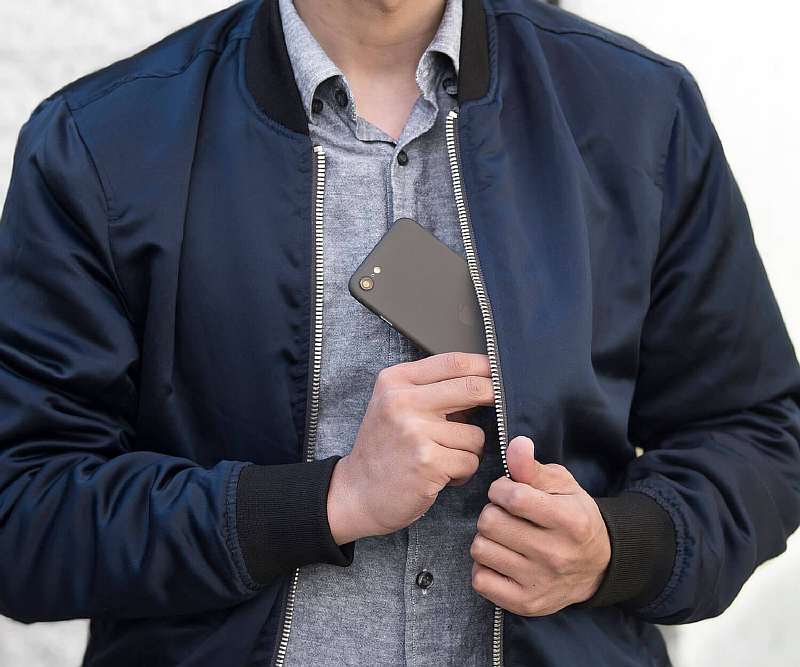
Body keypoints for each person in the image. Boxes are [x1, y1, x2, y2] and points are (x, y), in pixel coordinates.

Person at [0, 0, 798, 664]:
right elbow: (23, 509)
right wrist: (325, 500)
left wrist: (618, 548)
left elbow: (758, 432)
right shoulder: (103, 144)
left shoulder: (638, 114)